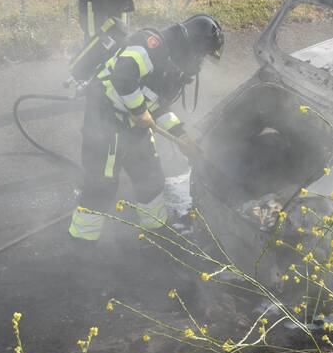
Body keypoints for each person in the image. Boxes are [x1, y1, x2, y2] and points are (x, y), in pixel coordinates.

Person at [68, 14, 224, 242]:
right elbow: (123, 76)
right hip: (106, 121)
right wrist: (139, 111)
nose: (201, 61)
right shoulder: (152, 46)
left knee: (151, 178)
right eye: (203, 54)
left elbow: (158, 108)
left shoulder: (176, 67)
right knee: (101, 185)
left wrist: (181, 136)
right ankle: (81, 242)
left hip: (133, 127)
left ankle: (157, 232)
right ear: (194, 46)